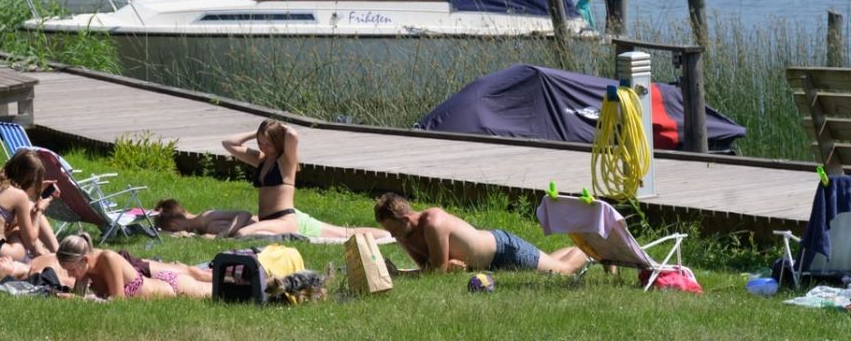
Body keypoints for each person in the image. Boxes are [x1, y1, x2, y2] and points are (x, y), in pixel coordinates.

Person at [222, 119, 391, 239]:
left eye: (268, 144)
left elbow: (293, 136)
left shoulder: (286, 161)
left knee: (346, 233)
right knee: (343, 232)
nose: (264, 148)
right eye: (260, 143)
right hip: (270, 220)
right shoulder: (261, 159)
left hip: (285, 219)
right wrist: (257, 132)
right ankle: (390, 234)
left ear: (278, 141)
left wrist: (278, 127)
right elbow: (228, 142)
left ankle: (389, 235)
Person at [373, 192, 587, 275]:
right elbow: (427, 268)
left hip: (503, 251)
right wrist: (446, 267)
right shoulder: (404, 234)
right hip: (489, 260)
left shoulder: (433, 222)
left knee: (564, 271)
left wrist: (399, 273)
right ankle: (581, 248)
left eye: (393, 230)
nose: (393, 236)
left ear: (405, 219)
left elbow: (436, 272)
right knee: (550, 261)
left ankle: (591, 251)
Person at [0, 234, 212, 299]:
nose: (68, 274)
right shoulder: (85, 273)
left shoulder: (108, 258)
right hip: (163, 291)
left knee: (225, 291)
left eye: (71, 269)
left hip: (171, 288)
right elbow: (81, 302)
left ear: (84, 260)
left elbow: (118, 302)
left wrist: (89, 300)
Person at [0, 148, 60, 266]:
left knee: (27, 210)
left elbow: (4, 198)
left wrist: (38, 187)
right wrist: (39, 211)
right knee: (19, 227)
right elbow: (30, 241)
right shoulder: (19, 196)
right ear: (29, 179)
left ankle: (49, 253)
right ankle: (58, 255)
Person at [153, 198, 256, 237]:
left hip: (260, 224)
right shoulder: (199, 227)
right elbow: (164, 233)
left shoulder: (206, 218)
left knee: (213, 226)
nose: (175, 231)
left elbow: (245, 214)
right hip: (254, 230)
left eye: (172, 230)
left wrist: (220, 236)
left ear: (174, 225)